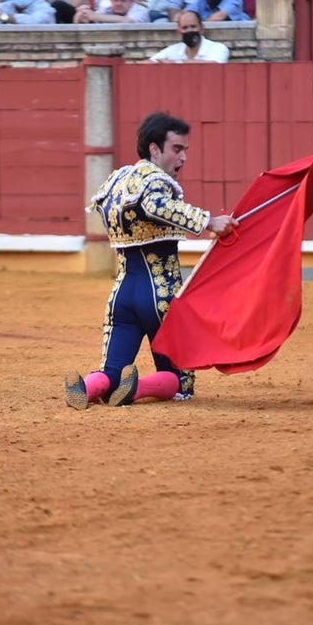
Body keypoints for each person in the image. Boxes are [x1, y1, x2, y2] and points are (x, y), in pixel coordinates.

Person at [63, 111, 237, 409]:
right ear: (154, 149)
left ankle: (88, 388)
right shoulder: (156, 181)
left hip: (122, 294)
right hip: (161, 297)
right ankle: (138, 389)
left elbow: (116, 211)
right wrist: (209, 222)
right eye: (177, 149)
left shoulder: (117, 179)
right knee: (180, 381)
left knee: (112, 371)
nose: (183, 157)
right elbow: (155, 205)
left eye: (185, 150)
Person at [149, 9, 229, 63]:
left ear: (201, 28)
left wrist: (175, 64)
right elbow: (148, 63)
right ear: (179, 31)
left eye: (193, 26)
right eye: (185, 28)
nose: (189, 30)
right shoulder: (173, 49)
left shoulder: (218, 48)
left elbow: (214, 66)